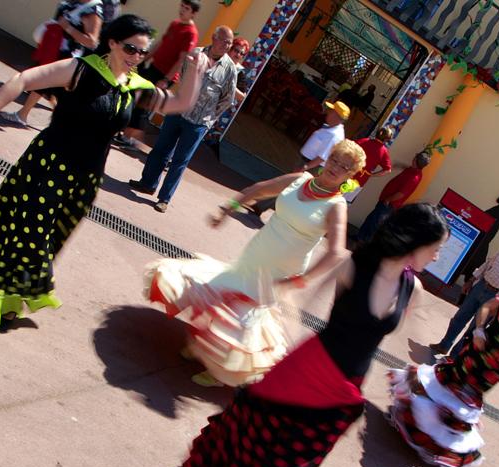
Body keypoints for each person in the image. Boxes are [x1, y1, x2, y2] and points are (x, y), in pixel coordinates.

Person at [168, 204, 449, 467]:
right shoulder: (355, 265)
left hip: (345, 392)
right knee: (257, 449)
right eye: (435, 247)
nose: (437, 256)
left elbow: (384, 335)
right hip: (309, 371)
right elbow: (308, 306)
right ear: (414, 242)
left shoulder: (411, 287)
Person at [0, 14, 204, 325]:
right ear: (111, 43)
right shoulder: (80, 70)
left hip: (85, 179)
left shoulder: (136, 88)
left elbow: (180, 103)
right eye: (130, 49)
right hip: (48, 166)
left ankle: (4, 287)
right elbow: (25, 79)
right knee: (29, 236)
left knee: (50, 239)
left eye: (141, 52)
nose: (135, 58)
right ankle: (0, 299)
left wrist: (194, 68)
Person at [145, 140, 365, 387]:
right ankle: (203, 347)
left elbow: (335, 252)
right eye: (335, 159)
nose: (336, 167)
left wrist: (303, 280)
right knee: (225, 293)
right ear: (327, 158)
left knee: (245, 315)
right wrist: (227, 209)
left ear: (350, 175)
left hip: (283, 270)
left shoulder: (336, 206)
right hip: (258, 251)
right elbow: (259, 189)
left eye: (344, 167)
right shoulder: (301, 178)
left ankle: (224, 370)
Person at [388, 263, 499, 467]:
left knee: (458, 402)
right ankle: (412, 424)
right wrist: (479, 330)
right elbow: (486, 307)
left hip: (491, 367)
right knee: (444, 383)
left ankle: (432, 446)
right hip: (473, 351)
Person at [127, 26, 236, 212]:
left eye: (230, 43)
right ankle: (147, 183)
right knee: (161, 149)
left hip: (198, 122)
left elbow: (227, 99)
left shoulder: (230, 69)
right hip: (177, 112)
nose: (226, 46)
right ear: (214, 38)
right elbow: (185, 76)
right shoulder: (196, 53)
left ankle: (164, 199)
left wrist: (209, 119)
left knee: (180, 161)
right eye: (224, 41)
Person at [428, 227, 499, 356]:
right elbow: (487, 265)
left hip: (496, 299)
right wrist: (471, 280)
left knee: (474, 329)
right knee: (459, 318)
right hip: (481, 287)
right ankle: (444, 345)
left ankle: (454, 357)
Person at [114, 0, 200, 151]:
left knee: (145, 105)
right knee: (134, 97)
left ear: (193, 13)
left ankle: (132, 140)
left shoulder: (191, 33)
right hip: (153, 67)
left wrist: (166, 80)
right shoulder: (175, 24)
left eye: (186, 8)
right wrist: (141, 59)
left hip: (165, 75)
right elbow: (160, 44)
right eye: (182, 6)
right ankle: (125, 134)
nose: (182, 10)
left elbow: (182, 59)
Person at [15, 0, 103, 127]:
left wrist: (68, 27)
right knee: (51, 90)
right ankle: (27, 116)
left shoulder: (93, 9)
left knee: (44, 83)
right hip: (52, 48)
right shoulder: (73, 2)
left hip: (67, 56)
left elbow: (92, 42)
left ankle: (23, 114)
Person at [353, 151, 429, 245]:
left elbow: (401, 194)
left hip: (389, 204)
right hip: (386, 201)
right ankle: (360, 237)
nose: (413, 158)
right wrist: (400, 165)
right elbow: (407, 169)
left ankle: (364, 244)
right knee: (372, 218)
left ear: (416, 161)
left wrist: (388, 200)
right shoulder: (413, 170)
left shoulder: (414, 178)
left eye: (415, 158)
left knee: (374, 223)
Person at [344, 126, 394, 204]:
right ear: (387, 139)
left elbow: (348, 148)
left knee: (332, 197)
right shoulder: (384, 151)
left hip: (347, 174)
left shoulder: (364, 141)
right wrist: (371, 175)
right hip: (360, 181)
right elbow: (388, 170)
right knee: (343, 203)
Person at [300, 101, 350, 171]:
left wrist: (304, 168)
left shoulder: (334, 135)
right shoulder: (331, 129)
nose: (327, 112)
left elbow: (322, 158)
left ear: (336, 116)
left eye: (331, 111)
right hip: (307, 163)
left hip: (310, 167)